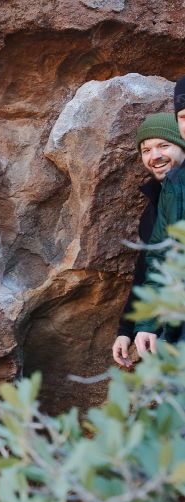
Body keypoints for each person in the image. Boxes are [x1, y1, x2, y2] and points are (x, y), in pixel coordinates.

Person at [111, 113, 185, 368]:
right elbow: (148, 270)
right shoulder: (154, 207)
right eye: (146, 150)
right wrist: (127, 329)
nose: (155, 156)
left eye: (164, 145)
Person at [134, 78, 185, 356]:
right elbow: (158, 259)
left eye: (162, 146)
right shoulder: (175, 186)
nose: (155, 156)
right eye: (184, 117)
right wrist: (144, 324)